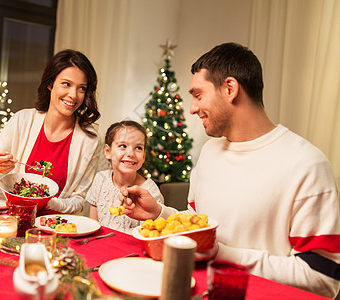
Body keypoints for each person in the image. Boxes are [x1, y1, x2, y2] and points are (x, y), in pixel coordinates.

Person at [120, 43, 339, 298]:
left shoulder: (307, 164)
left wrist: (224, 255)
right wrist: (160, 213)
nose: (191, 108)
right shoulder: (210, 152)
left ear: (230, 88)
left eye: (198, 95)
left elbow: (323, 278)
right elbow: (201, 228)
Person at [0, 49, 102, 214]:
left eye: (81, 88)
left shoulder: (90, 140)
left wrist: (48, 202)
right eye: (66, 84)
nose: (73, 95)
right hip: (19, 219)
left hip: (58, 228)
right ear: (50, 84)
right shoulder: (22, 120)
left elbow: (79, 201)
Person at [86, 120, 163, 234]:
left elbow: (149, 234)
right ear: (108, 152)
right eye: (123, 146)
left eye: (138, 148)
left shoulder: (150, 191)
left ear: (144, 155)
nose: (131, 153)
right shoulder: (100, 179)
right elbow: (93, 224)